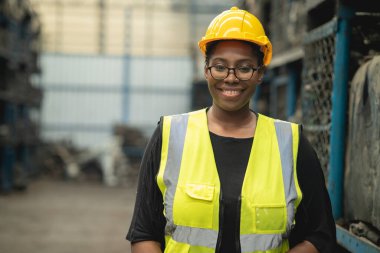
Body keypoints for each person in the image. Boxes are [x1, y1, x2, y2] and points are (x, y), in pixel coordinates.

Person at [127, 6, 336, 253]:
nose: (231, 77)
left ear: (260, 74)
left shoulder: (290, 143)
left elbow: (320, 234)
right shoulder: (170, 135)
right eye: (220, 66)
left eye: (244, 67)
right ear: (206, 70)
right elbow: (144, 232)